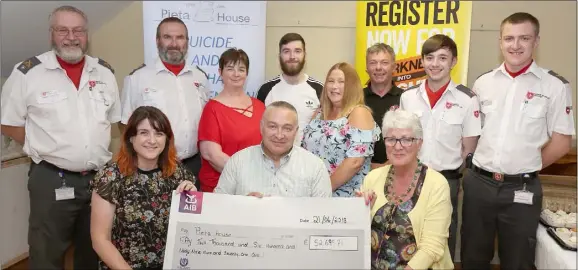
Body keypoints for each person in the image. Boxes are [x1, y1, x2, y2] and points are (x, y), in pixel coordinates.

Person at [0, 6, 119, 269]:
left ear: (87, 35)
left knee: (93, 249)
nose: (71, 37)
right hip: (51, 178)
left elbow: (113, 121)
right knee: (47, 253)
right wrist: (39, 146)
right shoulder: (28, 73)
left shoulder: (104, 73)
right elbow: (8, 124)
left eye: (78, 30)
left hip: (99, 180)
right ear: (51, 34)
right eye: (63, 30)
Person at [461, 12, 575, 270]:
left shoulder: (554, 86)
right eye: (509, 38)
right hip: (479, 185)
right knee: (473, 257)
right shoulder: (483, 82)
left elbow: (561, 142)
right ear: (500, 42)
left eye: (524, 38)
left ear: (536, 41)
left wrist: (525, 167)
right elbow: (473, 132)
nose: (515, 45)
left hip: (521, 190)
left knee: (519, 261)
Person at [399, 34, 481, 261]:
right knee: (408, 236)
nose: (435, 64)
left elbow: (469, 148)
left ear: (453, 61)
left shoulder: (467, 99)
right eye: (430, 57)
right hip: (412, 179)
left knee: (442, 240)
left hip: (448, 181)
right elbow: (403, 139)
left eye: (442, 58)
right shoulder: (408, 97)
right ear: (422, 61)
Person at [90, 106, 196, 270]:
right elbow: (100, 240)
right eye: (144, 133)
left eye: (159, 133)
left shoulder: (179, 174)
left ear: (167, 139)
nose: (152, 140)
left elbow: (190, 231)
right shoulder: (110, 177)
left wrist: (192, 199)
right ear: (131, 138)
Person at [357, 109, 453, 270]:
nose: (398, 146)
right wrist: (361, 211)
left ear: (419, 143)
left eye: (406, 139)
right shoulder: (372, 178)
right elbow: (359, 236)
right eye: (391, 139)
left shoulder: (437, 184)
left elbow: (432, 247)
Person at [120, 17, 210, 186]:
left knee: (191, 213)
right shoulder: (138, 78)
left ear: (187, 42)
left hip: (194, 165)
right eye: (167, 37)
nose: (174, 43)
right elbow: (126, 125)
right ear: (157, 41)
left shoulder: (200, 78)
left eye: (180, 37)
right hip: (154, 166)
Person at [214, 101, 332, 197]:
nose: (279, 135)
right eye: (273, 127)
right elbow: (218, 208)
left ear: (296, 132)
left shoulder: (315, 167)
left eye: (287, 128)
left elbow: (323, 217)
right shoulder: (237, 162)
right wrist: (243, 207)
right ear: (261, 127)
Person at [301, 62, 381, 197]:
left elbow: (355, 161)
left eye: (341, 82)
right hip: (312, 196)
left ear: (351, 86)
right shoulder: (319, 113)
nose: (334, 86)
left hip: (346, 199)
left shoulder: (359, 113)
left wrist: (323, 189)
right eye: (330, 81)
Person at [197, 48, 266, 192]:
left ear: (247, 74)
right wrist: (247, 177)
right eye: (230, 69)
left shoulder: (260, 107)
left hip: (257, 187)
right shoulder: (212, 109)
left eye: (241, 69)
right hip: (221, 188)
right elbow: (211, 154)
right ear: (220, 72)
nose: (236, 74)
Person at [256, 33, 324, 146]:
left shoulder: (319, 89)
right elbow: (259, 129)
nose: (292, 56)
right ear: (280, 56)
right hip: (273, 159)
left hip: (309, 160)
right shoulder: (266, 90)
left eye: (297, 51)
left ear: (304, 55)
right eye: (286, 51)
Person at [363, 43, 403, 169]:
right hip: (360, 172)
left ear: (394, 67)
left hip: (397, 170)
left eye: (384, 62)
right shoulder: (356, 99)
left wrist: (388, 165)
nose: (378, 68)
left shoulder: (405, 99)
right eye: (373, 63)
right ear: (366, 68)